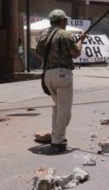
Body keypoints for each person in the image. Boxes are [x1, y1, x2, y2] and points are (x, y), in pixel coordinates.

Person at [35, 9, 85, 151]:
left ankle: (56, 134)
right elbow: (75, 53)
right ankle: (57, 139)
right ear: (63, 21)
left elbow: (38, 53)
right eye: (66, 20)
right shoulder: (65, 34)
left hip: (48, 75)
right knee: (64, 109)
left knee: (58, 106)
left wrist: (49, 61)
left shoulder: (44, 34)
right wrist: (81, 40)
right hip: (62, 74)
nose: (67, 22)